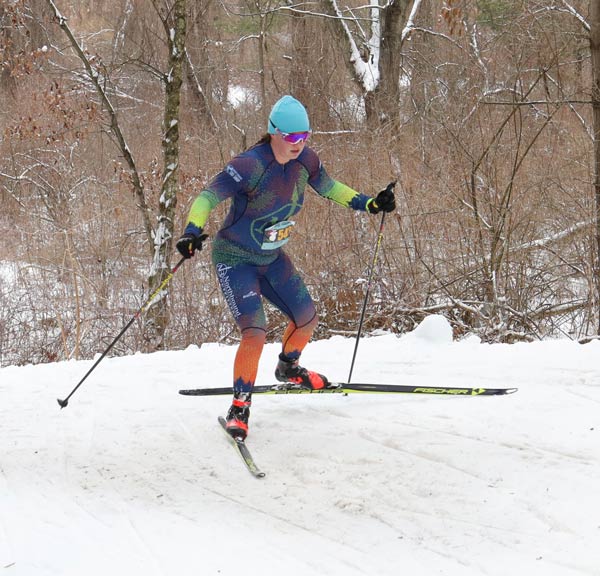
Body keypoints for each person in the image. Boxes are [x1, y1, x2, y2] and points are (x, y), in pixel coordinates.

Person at [176, 95, 396, 439]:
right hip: (236, 259)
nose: (299, 144)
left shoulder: (306, 161)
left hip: (272, 257)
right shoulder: (249, 165)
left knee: (307, 318)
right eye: (293, 137)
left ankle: (288, 367)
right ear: (274, 133)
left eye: (305, 136)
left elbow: (330, 188)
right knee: (255, 333)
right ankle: (240, 407)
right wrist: (191, 231)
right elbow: (207, 197)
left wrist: (369, 203)